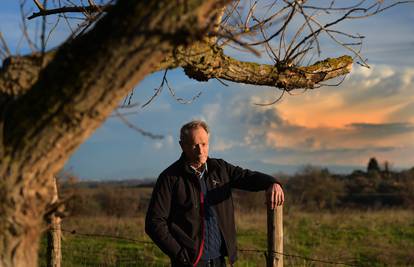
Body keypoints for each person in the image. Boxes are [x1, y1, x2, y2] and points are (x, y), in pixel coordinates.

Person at [145, 120, 284, 267]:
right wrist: (180, 255)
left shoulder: (220, 169)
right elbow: (154, 222)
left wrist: (272, 183)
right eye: (194, 145)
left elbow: (247, 177)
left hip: (219, 260)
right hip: (190, 263)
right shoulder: (170, 178)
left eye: (204, 144)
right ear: (182, 145)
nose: (200, 150)